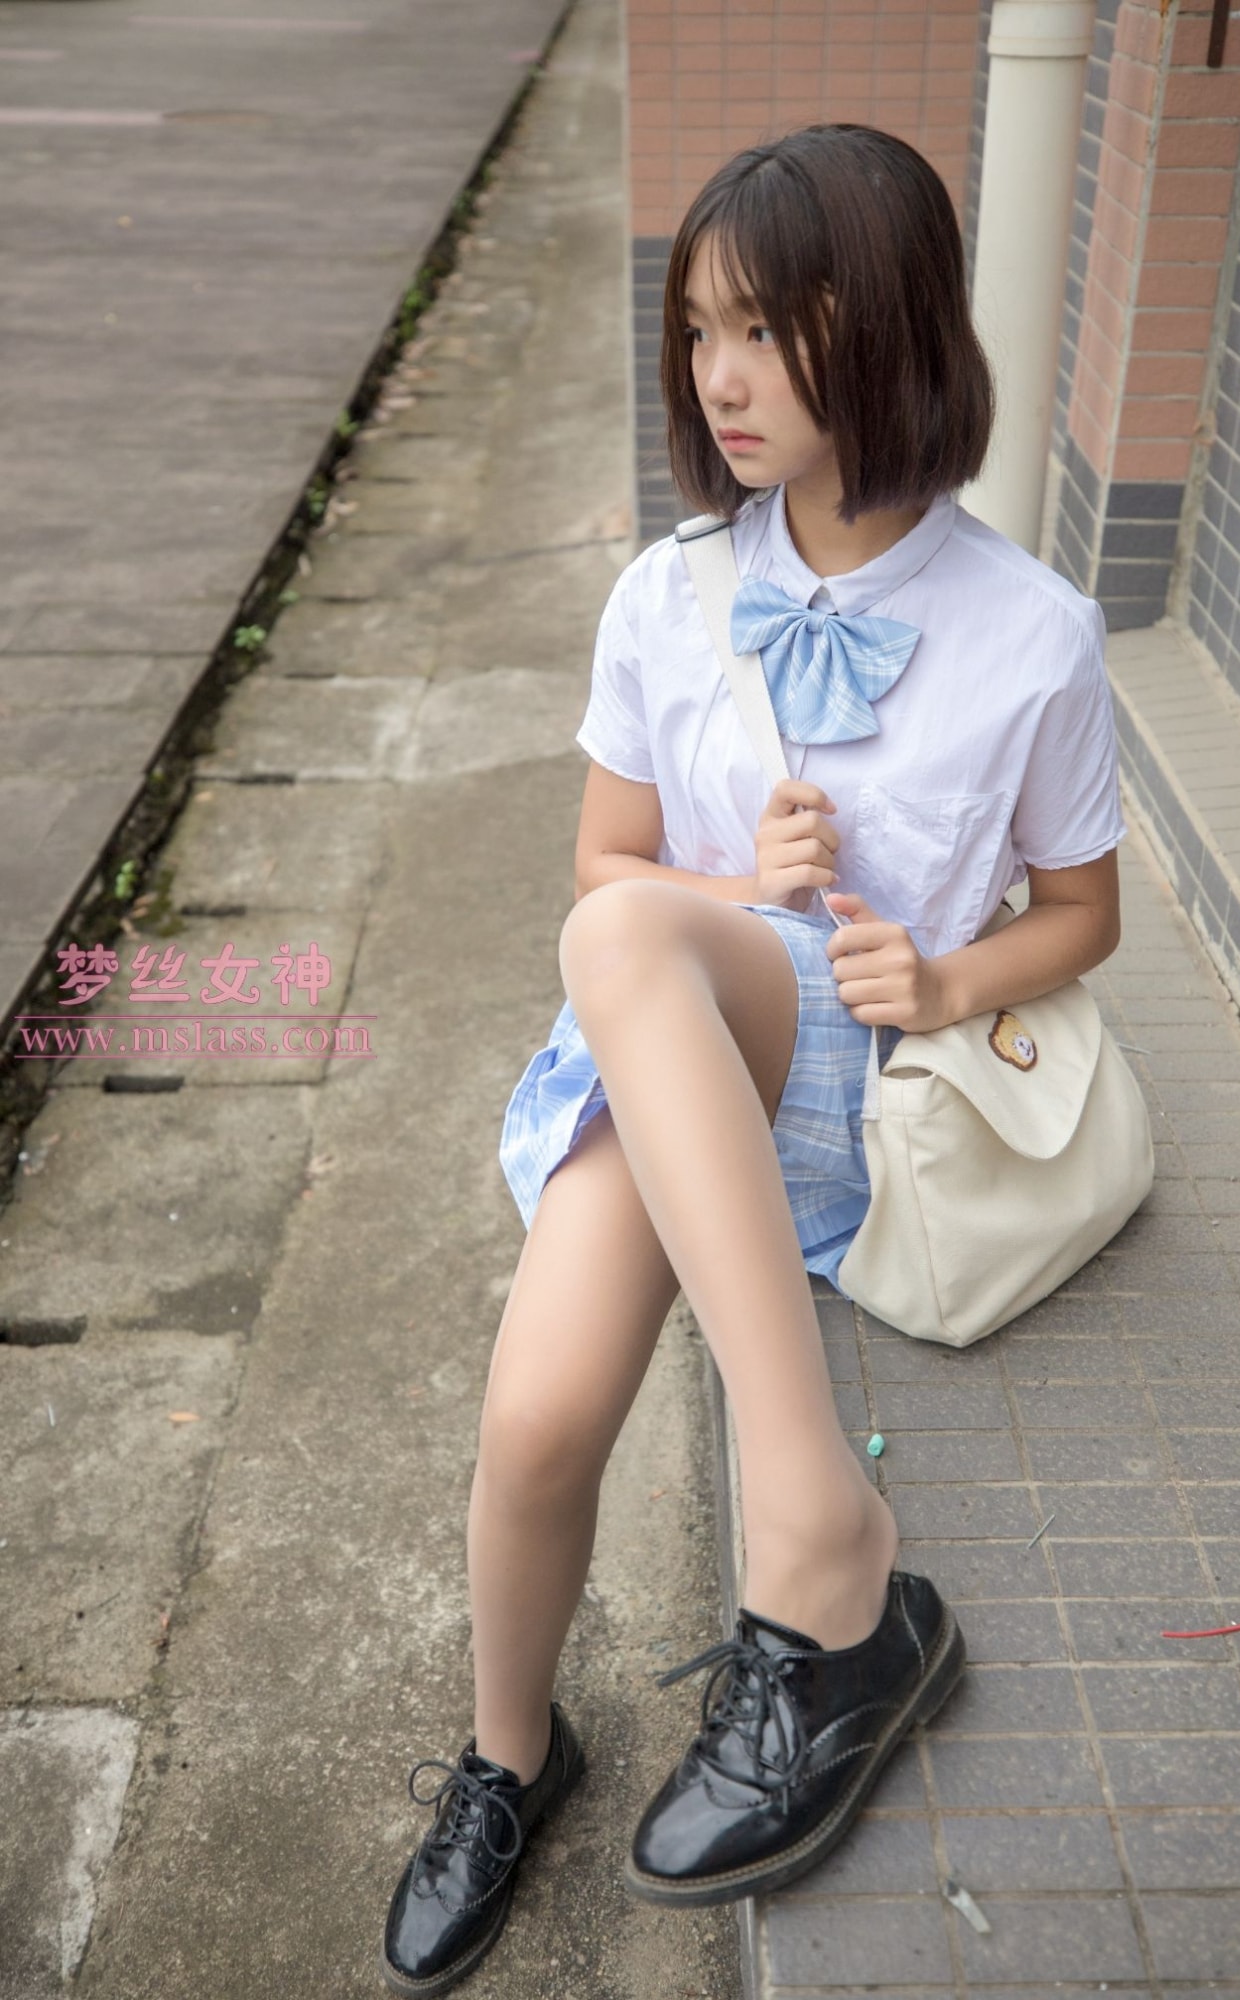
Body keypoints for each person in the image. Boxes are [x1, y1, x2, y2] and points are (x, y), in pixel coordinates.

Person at [380, 122, 1125, 1995]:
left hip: (848, 1082)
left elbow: (1082, 915)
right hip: (665, 1055)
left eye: (769, 329)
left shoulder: (1030, 635)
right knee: (535, 1423)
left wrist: (940, 977)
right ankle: (509, 1758)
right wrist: (740, 884)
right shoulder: (667, 594)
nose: (720, 376)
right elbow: (606, 872)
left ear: (889, 327)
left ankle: (816, 1526)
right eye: (701, 328)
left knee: (632, 945)